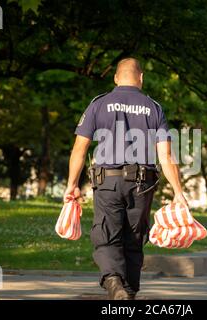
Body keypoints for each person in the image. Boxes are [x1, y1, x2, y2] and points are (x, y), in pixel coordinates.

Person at [63, 58, 187, 300]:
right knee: (134, 237)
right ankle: (128, 292)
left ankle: (113, 281)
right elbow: (166, 155)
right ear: (141, 78)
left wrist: (72, 185)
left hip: (107, 182)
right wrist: (178, 192)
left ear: (116, 78)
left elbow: (80, 148)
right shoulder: (153, 107)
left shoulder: (99, 104)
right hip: (142, 183)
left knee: (107, 233)